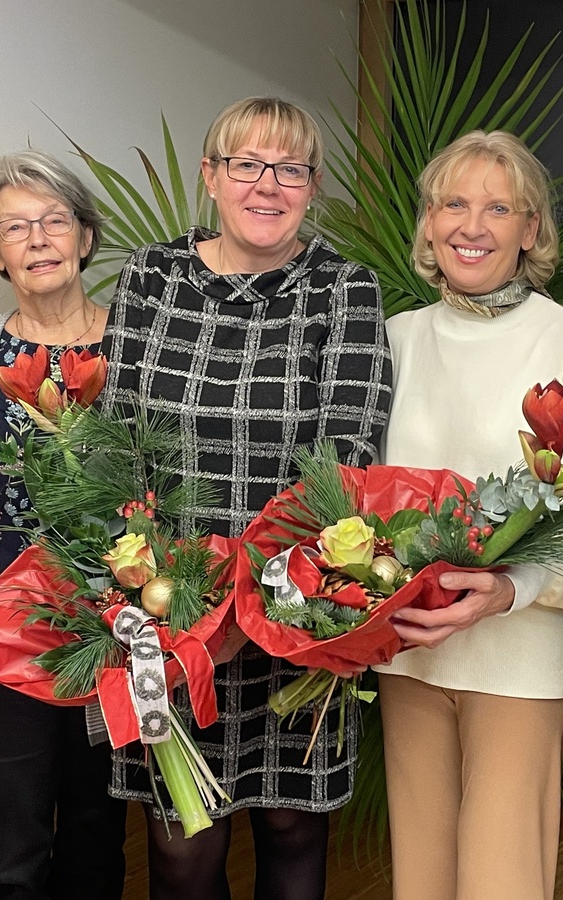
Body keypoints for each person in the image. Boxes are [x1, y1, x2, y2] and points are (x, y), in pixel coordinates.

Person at [102, 96, 392, 900]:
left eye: (290, 169)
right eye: (246, 164)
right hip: (169, 606)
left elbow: (346, 458)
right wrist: (171, 599)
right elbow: (118, 441)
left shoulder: (345, 288)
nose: (268, 185)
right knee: (183, 844)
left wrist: (252, 606)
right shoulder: (152, 277)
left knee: (293, 826)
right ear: (211, 175)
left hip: (295, 602)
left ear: (313, 186)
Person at [376, 131, 563, 900]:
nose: (471, 226)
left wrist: (511, 587)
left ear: (532, 229)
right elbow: (361, 495)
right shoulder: (396, 339)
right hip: (410, 653)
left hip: (521, 655)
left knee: (501, 884)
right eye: (453, 204)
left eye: (498, 208)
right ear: (429, 222)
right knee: (421, 882)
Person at [0, 149, 127, 899]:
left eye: (55, 220)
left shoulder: (134, 349)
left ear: (85, 236)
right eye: (15, 227)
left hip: (109, 630)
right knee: (11, 854)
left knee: (95, 839)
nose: (39, 239)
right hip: (0, 634)